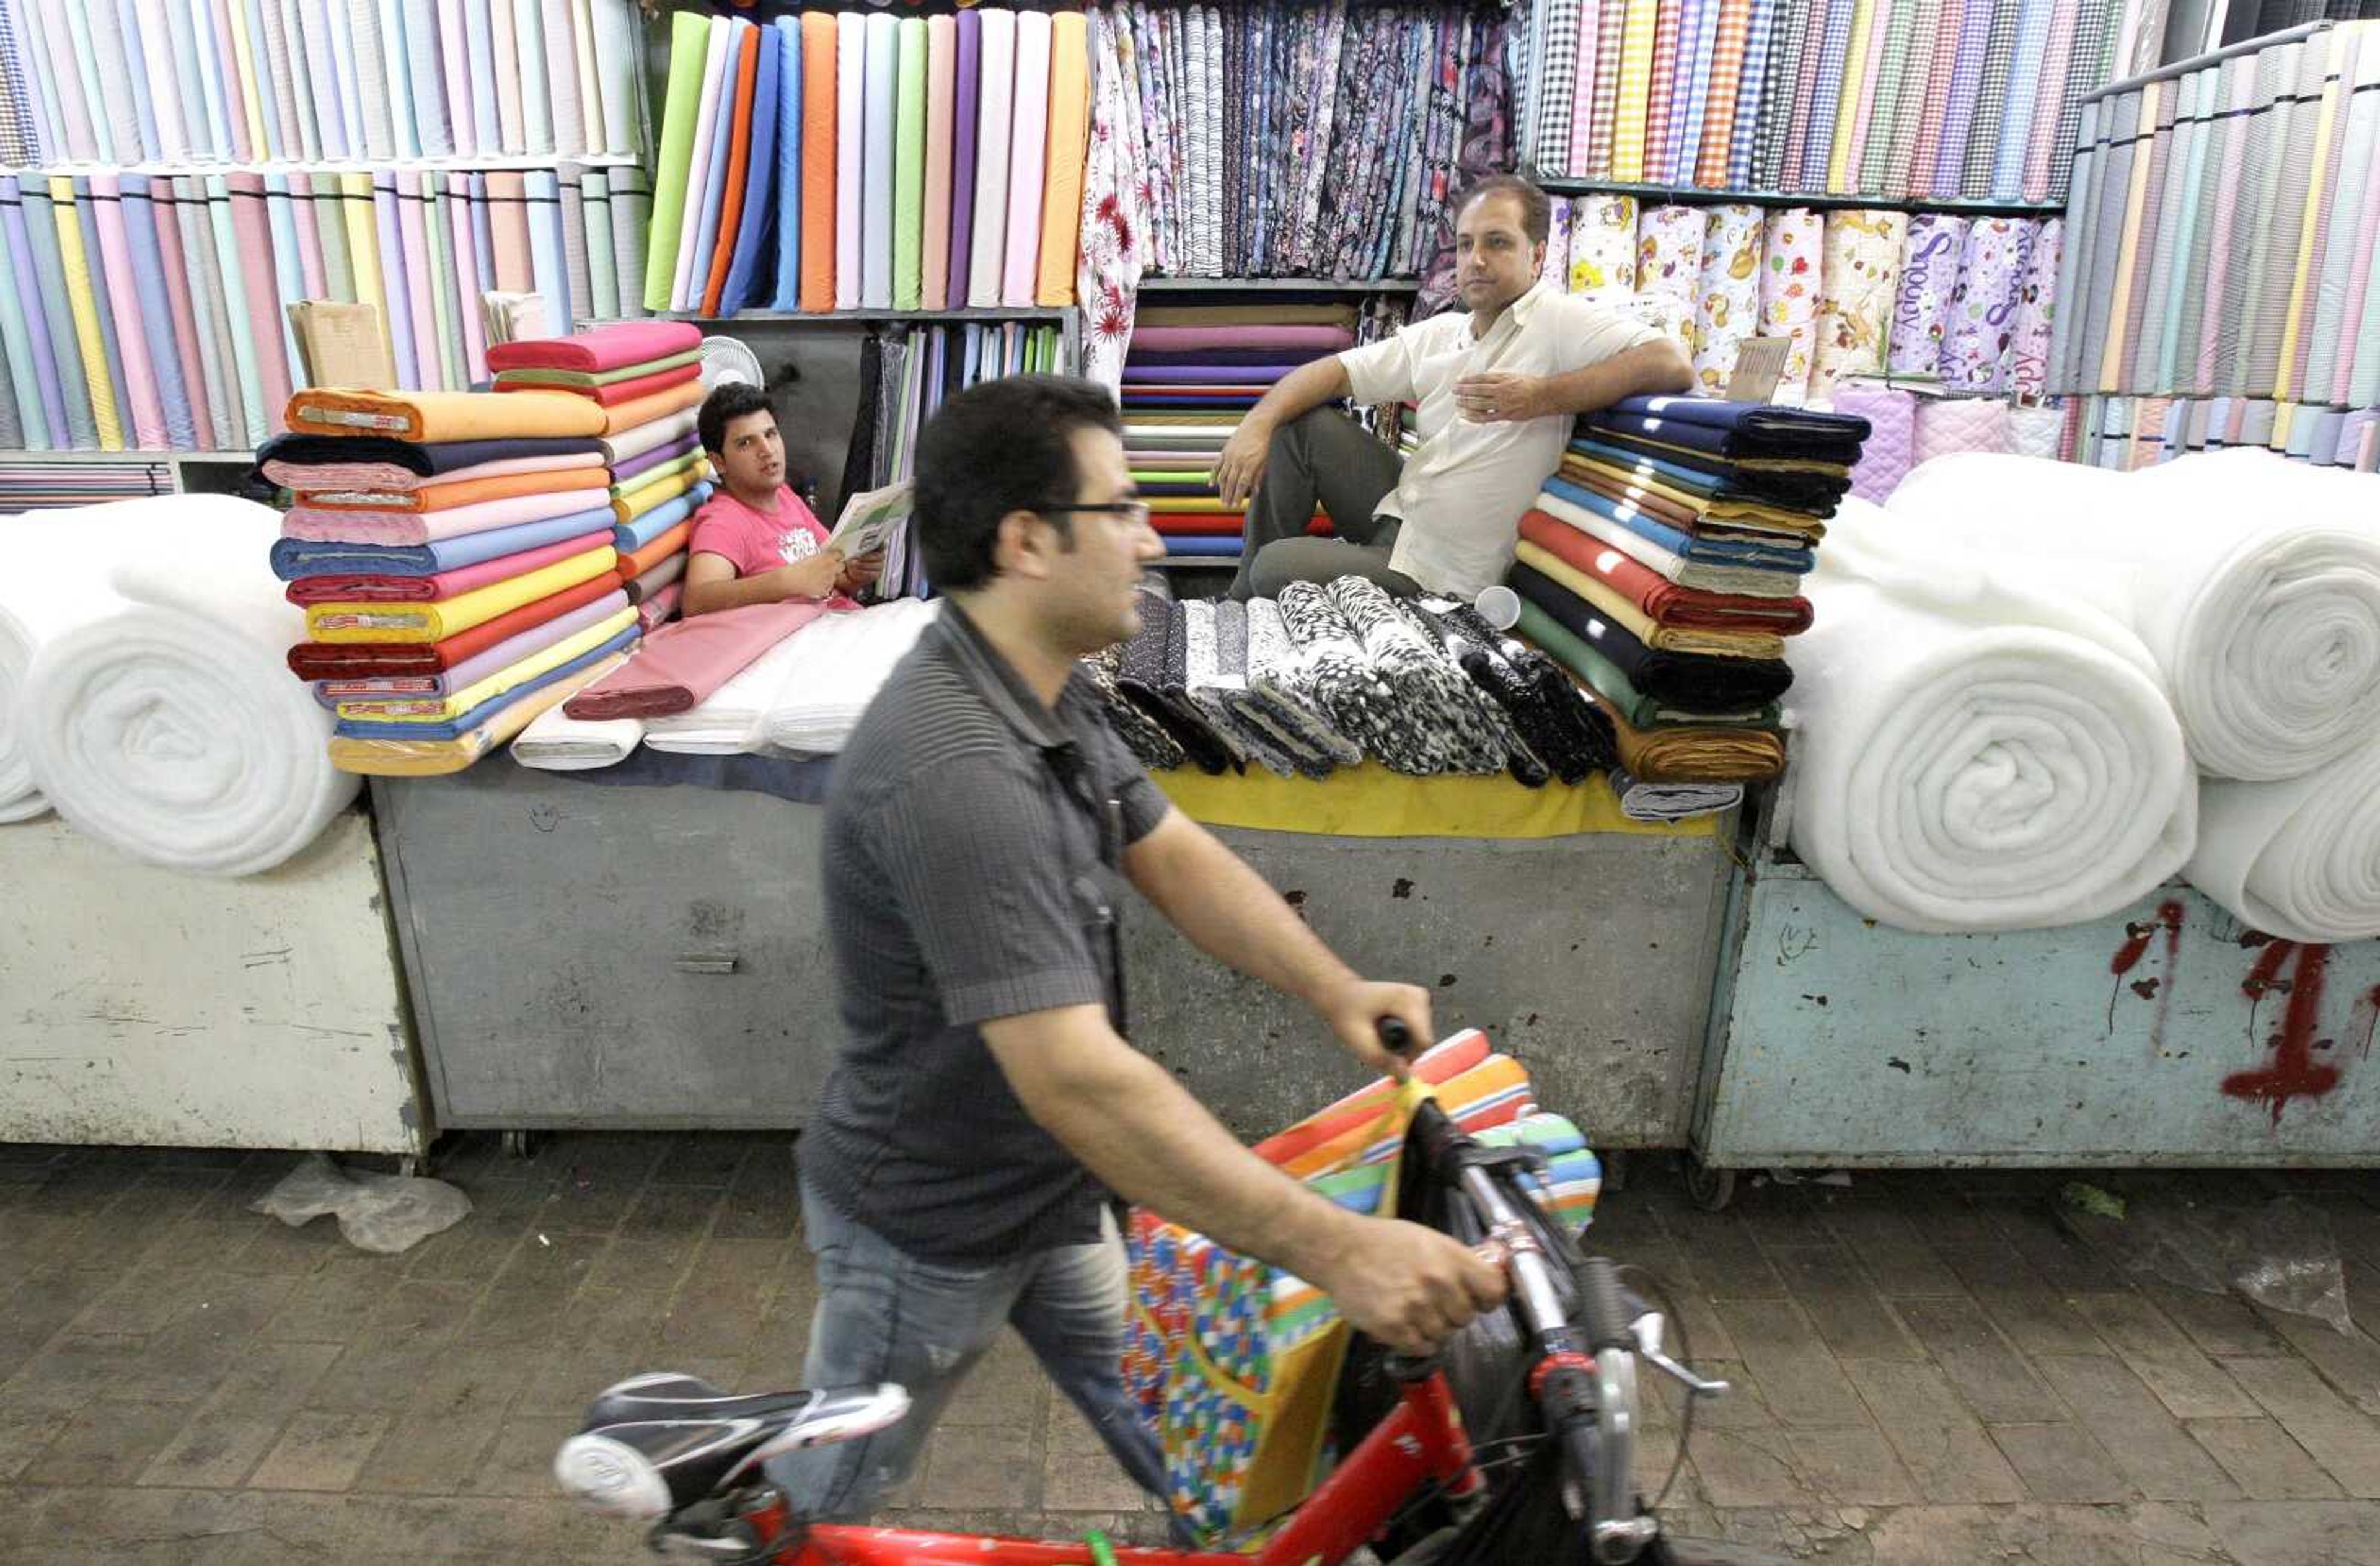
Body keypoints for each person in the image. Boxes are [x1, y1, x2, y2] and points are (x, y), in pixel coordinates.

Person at [768, 375, 1506, 1524]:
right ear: (1027, 540)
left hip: (1056, 1190)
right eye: (1121, 510)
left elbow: (1170, 852)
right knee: (822, 1505)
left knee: (1210, 1454)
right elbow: (1075, 1075)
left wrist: (1335, 987)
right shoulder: (954, 770)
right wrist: (1341, 1250)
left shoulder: (1044, 687)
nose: (1152, 539)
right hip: (929, 1223)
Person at [1214, 174, 1695, 603]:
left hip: (1442, 574)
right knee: (1299, 424)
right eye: (1466, 245)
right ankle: (1241, 603)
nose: (1477, 260)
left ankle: (1247, 600)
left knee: (1274, 566)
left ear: (1539, 255)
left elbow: (1671, 363)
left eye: (1498, 243)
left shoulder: (1556, 320)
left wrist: (1540, 397)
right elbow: (1335, 371)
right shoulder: (1447, 332)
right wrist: (1256, 424)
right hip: (1402, 519)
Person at [681, 381, 883, 617]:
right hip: (804, 641)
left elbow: (835, 578)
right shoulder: (722, 521)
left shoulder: (784, 496)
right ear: (719, 462)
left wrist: (857, 575)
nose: (767, 450)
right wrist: (786, 582)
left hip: (843, 623)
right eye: (746, 443)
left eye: (771, 434)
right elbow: (696, 603)